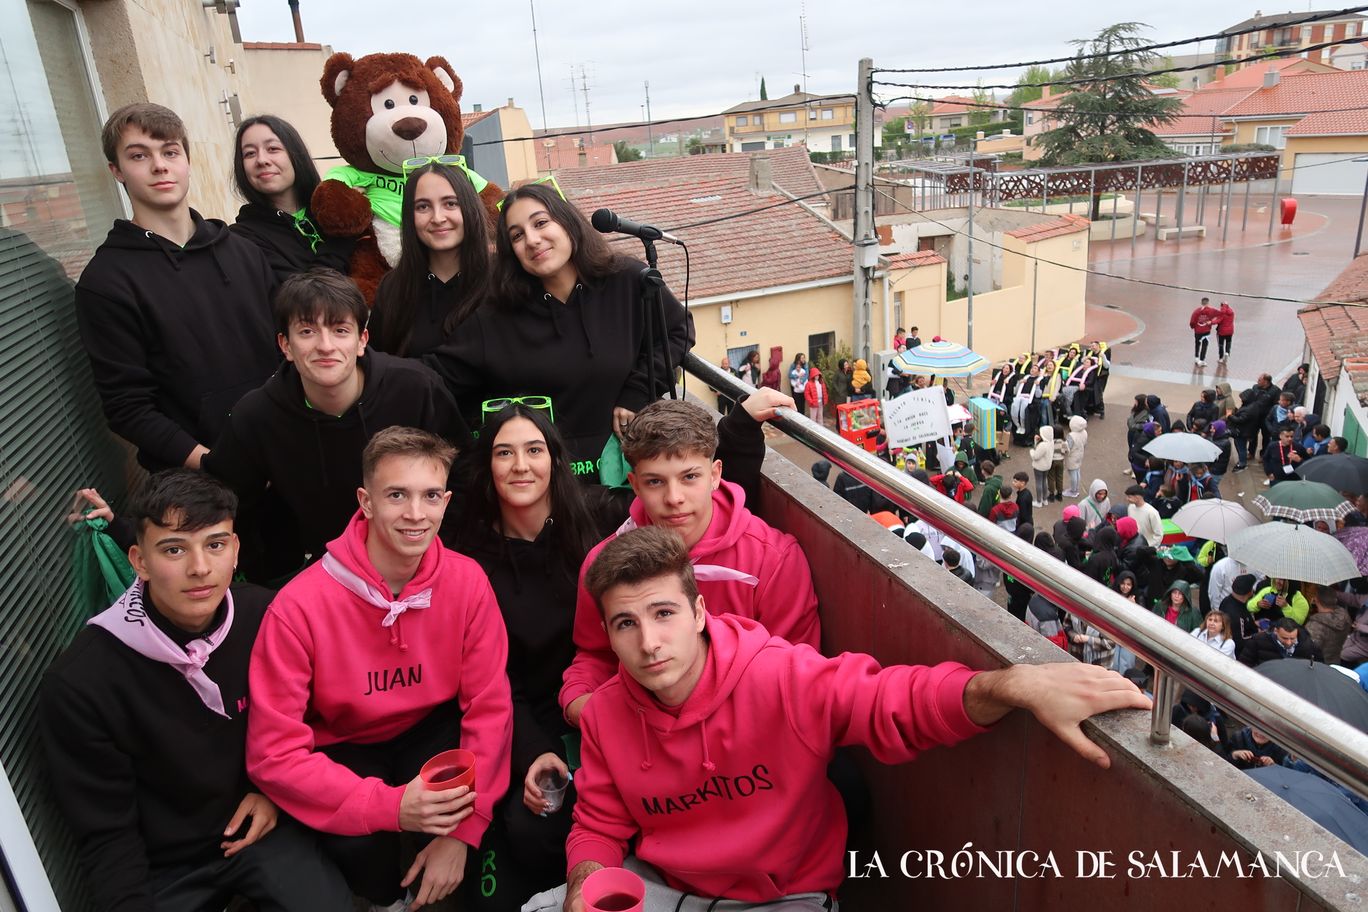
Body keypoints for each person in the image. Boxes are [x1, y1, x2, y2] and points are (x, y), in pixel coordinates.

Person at [529, 527, 1150, 912]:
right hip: (665, 886)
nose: (649, 643)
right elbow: (598, 825)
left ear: (698, 611)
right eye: (626, 624)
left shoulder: (780, 677)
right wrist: (586, 881)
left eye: (663, 614)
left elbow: (898, 702)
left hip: (782, 896)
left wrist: (1015, 684)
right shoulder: (608, 711)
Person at [40, 470, 352, 911]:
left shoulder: (265, 616)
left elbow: (321, 716)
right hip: (165, 863)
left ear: (235, 549)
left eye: (215, 544)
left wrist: (277, 791)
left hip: (265, 823)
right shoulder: (83, 682)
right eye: (173, 549)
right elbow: (106, 832)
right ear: (139, 561)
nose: (200, 568)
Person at [246, 427, 514, 909]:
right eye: (397, 495)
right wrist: (391, 808)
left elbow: (489, 708)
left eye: (431, 496)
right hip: (345, 738)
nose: (416, 514)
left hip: (430, 726)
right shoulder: (297, 607)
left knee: (487, 830)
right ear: (365, 502)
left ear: (447, 500)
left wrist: (464, 833)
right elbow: (272, 753)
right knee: (362, 849)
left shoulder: (468, 581)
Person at [559, 399, 820, 728]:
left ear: (715, 475)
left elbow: (796, 674)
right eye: (655, 481)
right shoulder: (603, 563)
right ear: (634, 484)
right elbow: (595, 656)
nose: (674, 498)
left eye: (689, 477)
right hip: (642, 732)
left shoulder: (773, 559)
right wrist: (579, 702)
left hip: (746, 736)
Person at [202, 269, 466, 579]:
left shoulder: (417, 389)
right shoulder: (256, 416)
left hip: (423, 559)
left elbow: (462, 473)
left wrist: (446, 553)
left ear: (361, 340)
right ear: (285, 345)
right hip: (323, 570)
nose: (325, 346)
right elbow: (225, 501)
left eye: (340, 330)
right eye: (307, 331)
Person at [426, 182, 694, 475]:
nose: (532, 239)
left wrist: (638, 391)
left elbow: (677, 331)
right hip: (547, 484)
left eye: (541, 223)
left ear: (567, 222)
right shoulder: (497, 315)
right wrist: (370, 368)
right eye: (517, 235)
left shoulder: (627, 279)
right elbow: (436, 376)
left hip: (625, 475)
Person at [76, 102, 278, 472]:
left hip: (284, 455)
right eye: (139, 155)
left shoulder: (244, 252)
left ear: (186, 160)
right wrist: (218, 464)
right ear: (116, 170)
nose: (159, 166)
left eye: (170, 151)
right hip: (201, 486)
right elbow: (127, 408)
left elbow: (287, 350)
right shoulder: (106, 281)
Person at [369, 161, 494, 358]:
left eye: (450, 203)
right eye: (423, 206)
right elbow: (377, 365)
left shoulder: (503, 278)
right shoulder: (394, 288)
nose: (437, 217)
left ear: (469, 208)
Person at [230, 114, 353, 284]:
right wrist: (344, 234)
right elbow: (304, 297)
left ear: (295, 155)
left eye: (272, 149)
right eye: (249, 153)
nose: (262, 160)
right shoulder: (242, 239)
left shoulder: (330, 210)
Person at [1238, 617, 1324, 666]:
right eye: (1285, 638)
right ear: (1276, 631)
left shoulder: (1310, 646)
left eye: (1292, 638)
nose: (1289, 642)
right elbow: (1244, 664)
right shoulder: (1258, 641)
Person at [1304, 586, 1352, 665]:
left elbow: (1309, 650)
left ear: (1316, 600)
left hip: (1319, 666)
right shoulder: (1345, 616)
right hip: (1336, 662)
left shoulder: (1315, 626)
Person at [1218, 573, 1261, 653]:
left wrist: (1253, 623)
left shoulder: (1227, 600)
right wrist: (1259, 635)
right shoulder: (1235, 615)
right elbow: (1239, 642)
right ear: (1249, 591)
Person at [1262, 422, 1305, 487]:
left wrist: (1300, 460)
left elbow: (1308, 461)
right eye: (1287, 436)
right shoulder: (1272, 446)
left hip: (1293, 479)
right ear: (1280, 436)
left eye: (1291, 436)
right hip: (1277, 478)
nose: (1290, 439)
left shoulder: (1298, 447)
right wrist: (1269, 473)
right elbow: (1265, 459)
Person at [1063, 415, 1087, 498]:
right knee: (1077, 471)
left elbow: (1067, 447)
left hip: (1072, 456)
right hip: (1080, 454)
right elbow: (1085, 444)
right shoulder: (1084, 432)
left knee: (1072, 472)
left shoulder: (1071, 435)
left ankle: (1073, 491)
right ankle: (1076, 488)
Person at [1189, 296, 1218, 367]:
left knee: (1197, 344)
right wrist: (1211, 322)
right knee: (1204, 345)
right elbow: (1219, 314)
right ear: (1208, 303)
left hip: (1197, 331)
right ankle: (1202, 360)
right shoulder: (1211, 310)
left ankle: (1196, 358)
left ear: (1201, 302)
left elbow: (1192, 321)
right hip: (1206, 331)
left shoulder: (1196, 311)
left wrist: (1193, 327)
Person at [1029, 425, 1053, 505]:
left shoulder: (1043, 445)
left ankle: (1039, 501)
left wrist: (1031, 451)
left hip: (1039, 467)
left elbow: (1035, 456)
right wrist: (1036, 441)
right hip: (1047, 466)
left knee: (1038, 483)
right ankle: (1044, 499)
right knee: (1044, 481)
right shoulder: (1051, 442)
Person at [787, 353, 809, 417]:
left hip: (802, 385)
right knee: (796, 401)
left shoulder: (805, 365)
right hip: (795, 385)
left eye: (804, 358)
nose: (803, 359)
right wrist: (797, 376)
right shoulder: (793, 365)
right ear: (798, 358)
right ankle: (797, 415)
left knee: (802, 401)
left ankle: (802, 414)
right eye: (802, 358)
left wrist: (801, 381)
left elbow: (806, 374)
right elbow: (790, 375)